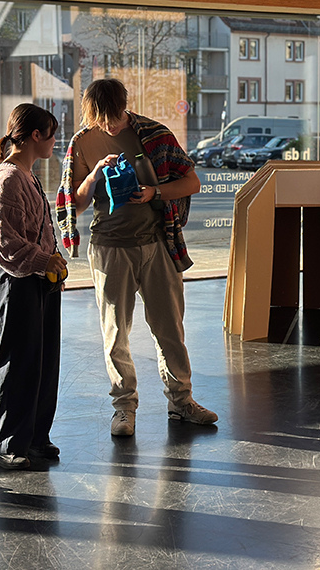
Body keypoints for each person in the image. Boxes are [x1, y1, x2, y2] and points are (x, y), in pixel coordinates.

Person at [56, 78, 217, 436]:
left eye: (113, 117)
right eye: (100, 119)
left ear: (124, 107)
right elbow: (73, 204)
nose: (109, 125)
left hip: (158, 244)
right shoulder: (82, 142)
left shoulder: (154, 134)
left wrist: (153, 193)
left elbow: (192, 182)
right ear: (90, 113)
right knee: (116, 333)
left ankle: (182, 401)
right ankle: (124, 408)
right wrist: (94, 175)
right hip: (110, 247)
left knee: (170, 328)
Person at [0, 103, 67, 470]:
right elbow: (4, 242)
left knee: (42, 362)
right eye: (51, 135)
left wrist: (51, 261)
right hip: (17, 281)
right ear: (35, 135)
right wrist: (44, 261)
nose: (54, 142)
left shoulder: (26, 175)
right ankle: (7, 443)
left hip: (38, 280)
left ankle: (33, 437)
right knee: (18, 362)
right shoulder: (8, 178)